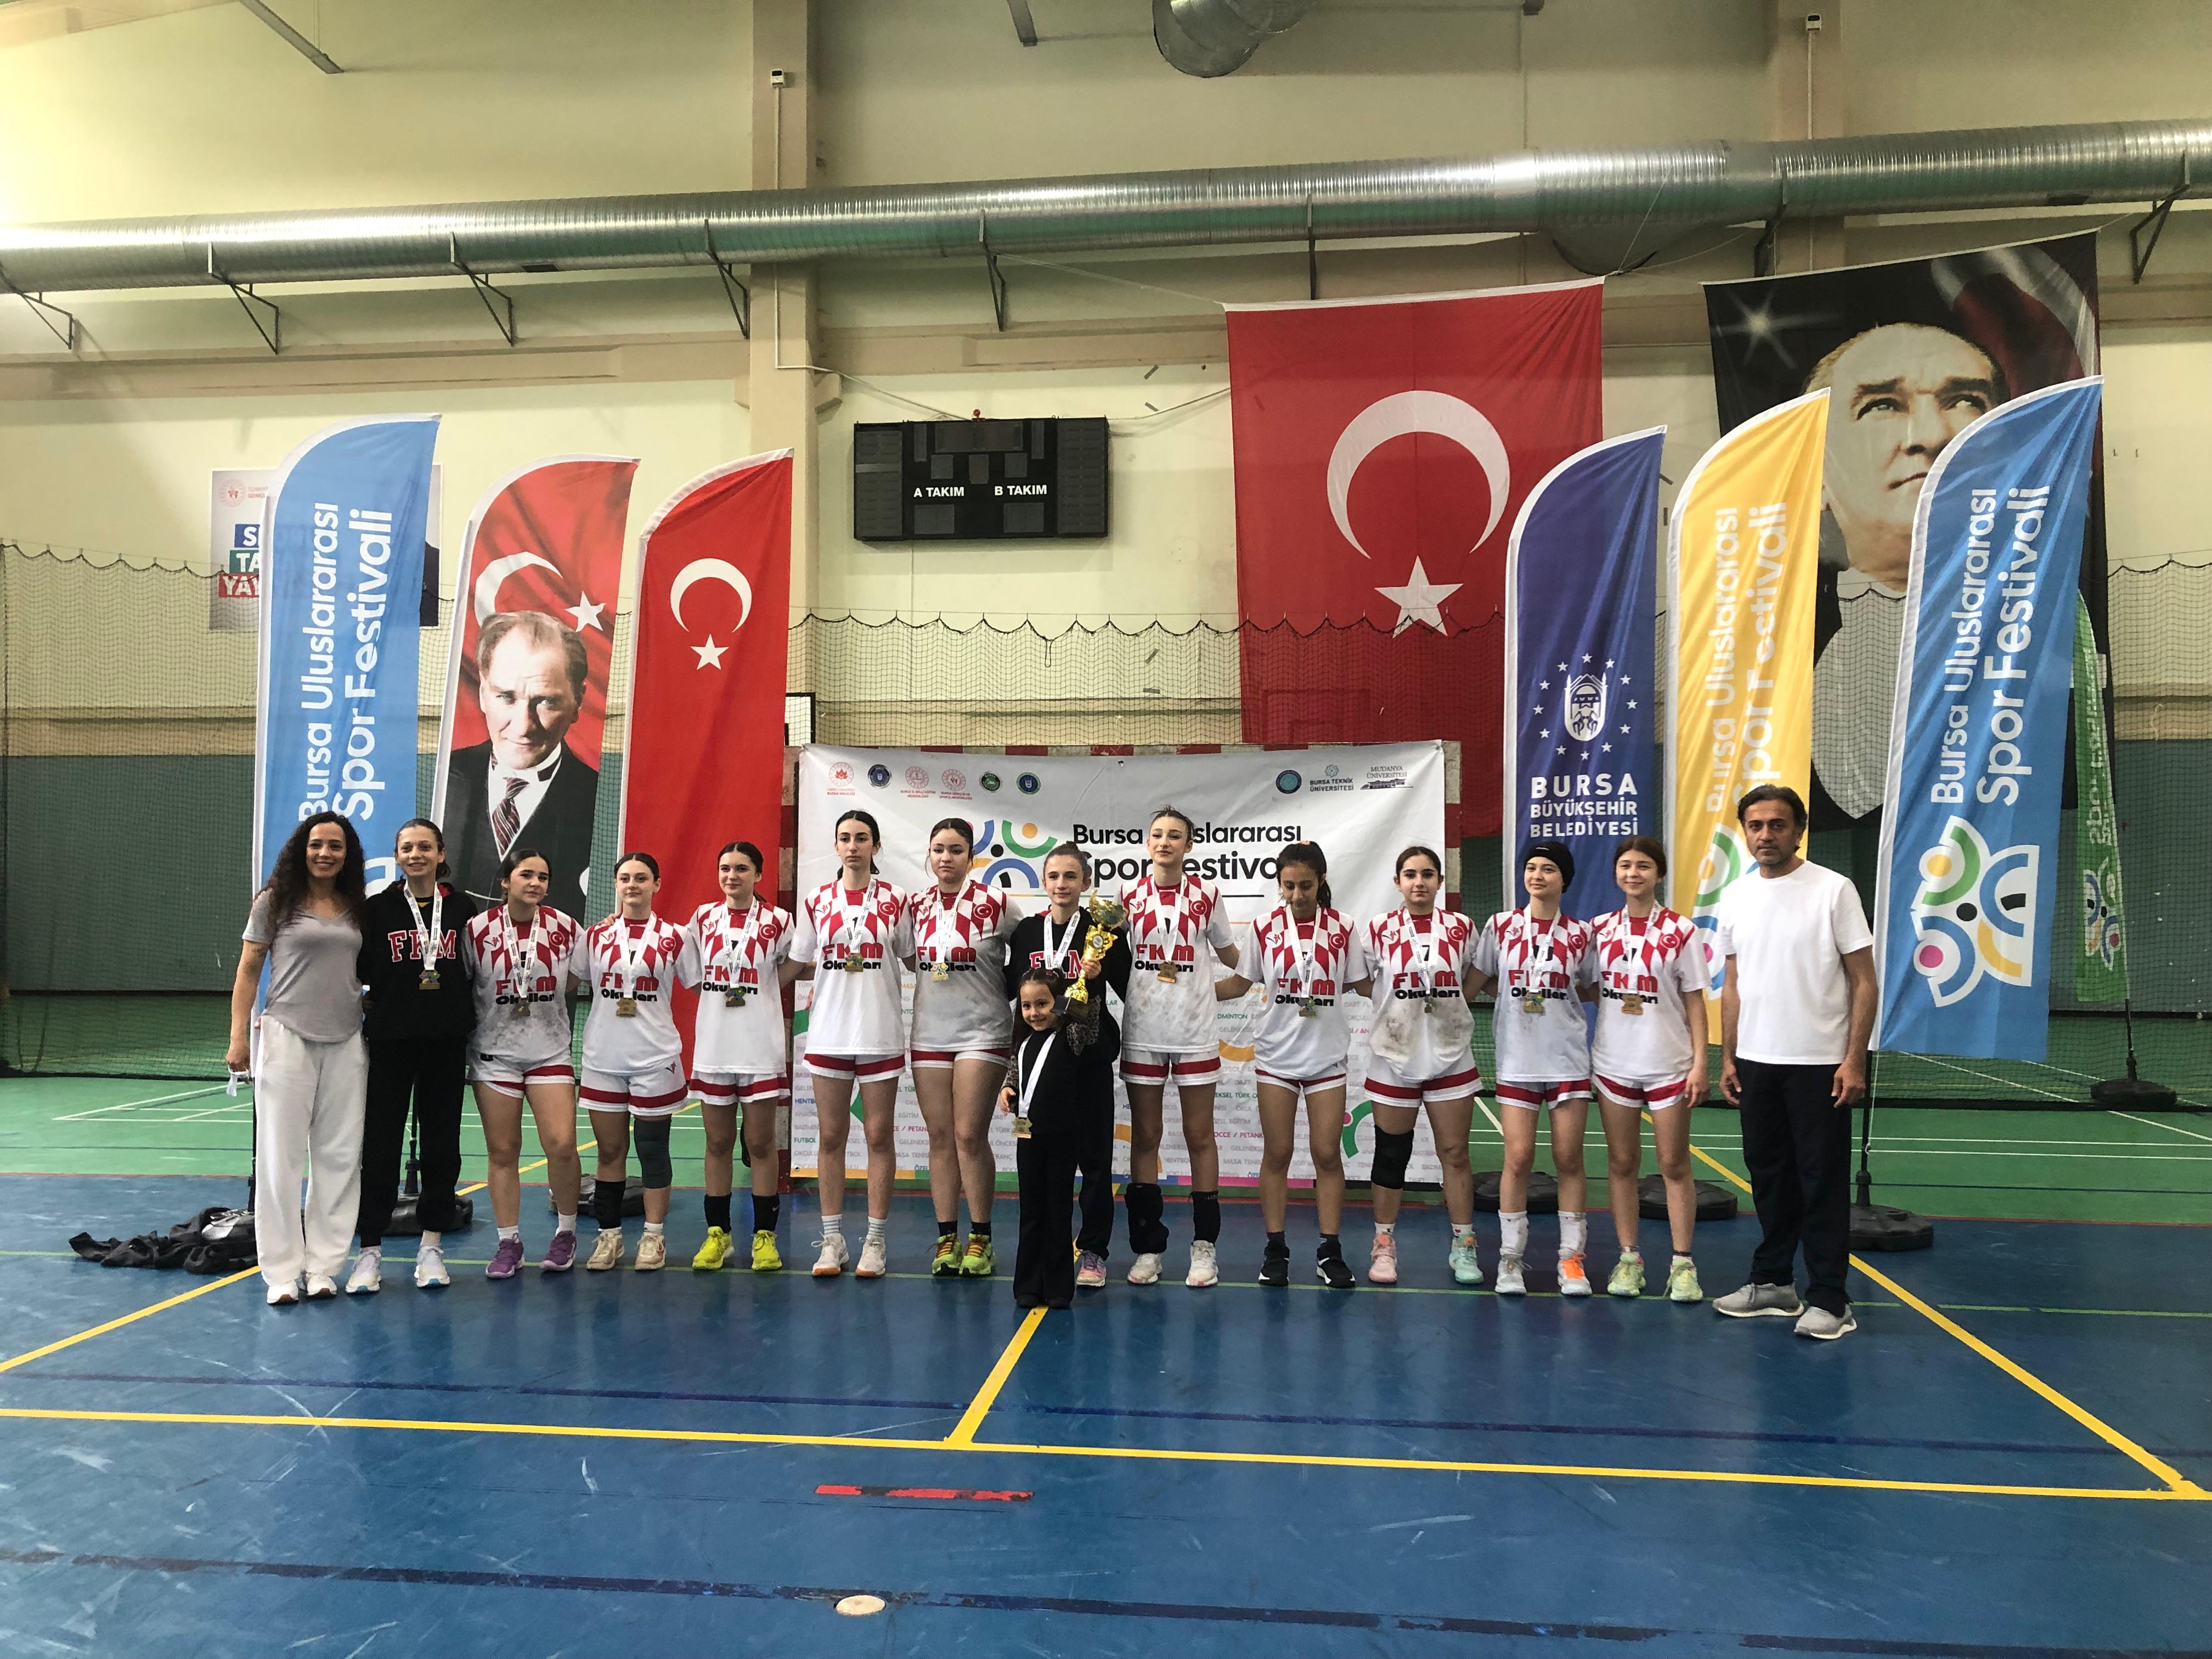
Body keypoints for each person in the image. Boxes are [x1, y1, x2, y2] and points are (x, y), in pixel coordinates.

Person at [1804, 324, 2006, 821]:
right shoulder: (1775, 654)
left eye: (1966, 401)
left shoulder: (2058, 638)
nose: (1933, 436)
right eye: (1882, 406)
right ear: (1818, 472)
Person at [1714, 783, 1878, 1340]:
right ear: (1745, 832)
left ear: (1799, 831)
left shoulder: (1833, 890)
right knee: (1769, 1178)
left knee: (1821, 1184)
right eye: (1756, 825)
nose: (1766, 835)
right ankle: (1774, 1283)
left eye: (1777, 825)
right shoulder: (1735, 896)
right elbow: (1733, 984)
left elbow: (1865, 981)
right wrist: (1729, 1057)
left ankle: (1830, 1299)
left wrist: (1853, 1060)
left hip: (1820, 1065)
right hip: (1755, 1064)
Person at [1212, 842, 1373, 1289]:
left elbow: (1362, 984)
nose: (1297, 894)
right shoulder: (1264, 927)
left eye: (1305, 885)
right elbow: (1240, 984)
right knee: (1278, 1153)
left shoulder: (1343, 927)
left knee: (1327, 1154)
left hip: (1327, 1058)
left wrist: (1410, 990)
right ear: (1279, 885)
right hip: (1276, 1057)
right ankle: (1276, 1249)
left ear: (1321, 881)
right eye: (1289, 886)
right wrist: (1188, 992)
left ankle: (1329, 1251)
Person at [228, 812, 368, 1307]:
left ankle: (324, 1267)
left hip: (347, 1041)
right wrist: (238, 1038)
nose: (325, 853)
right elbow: (248, 970)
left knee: (339, 1157)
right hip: (286, 1036)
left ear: (347, 855)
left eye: (335, 846)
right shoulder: (274, 902)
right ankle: (282, 1273)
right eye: (316, 845)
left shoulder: (357, 906)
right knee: (280, 1158)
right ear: (301, 850)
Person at [348, 818, 477, 1294]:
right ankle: (369, 1250)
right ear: (398, 855)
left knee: (442, 1146)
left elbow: (473, 971)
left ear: (441, 854)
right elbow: (361, 970)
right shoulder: (377, 909)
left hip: (445, 1043)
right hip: (390, 1043)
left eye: (425, 847)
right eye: (407, 848)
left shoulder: (463, 908)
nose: (416, 855)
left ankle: (432, 1245)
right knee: (379, 1147)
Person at [1469, 840, 1598, 1298]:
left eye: (1548, 869)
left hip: (1567, 1059)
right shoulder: (1500, 926)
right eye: (1531, 867)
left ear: (1565, 879)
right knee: (1519, 1158)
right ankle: (1510, 1259)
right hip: (1517, 1060)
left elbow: (1592, 988)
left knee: (1569, 1159)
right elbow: (1476, 982)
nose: (1537, 875)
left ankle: (1572, 1259)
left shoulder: (1581, 934)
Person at [1117, 806, 1239, 1289]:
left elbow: (1233, 957)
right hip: (1144, 1029)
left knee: (1199, 1135)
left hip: (1193, 1032)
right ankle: (1148, 1247)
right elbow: (1108, 956)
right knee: (1146, 1136)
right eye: (1157, 835)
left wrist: (1268, 968)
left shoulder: (1208, 894)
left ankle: (1204, 1247)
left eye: (1175, 836)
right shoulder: (1126, 895)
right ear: (1147, 844)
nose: (1165, 842)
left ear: (1189, 845)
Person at [789, 809, 913, 1279]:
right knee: (830, 1136)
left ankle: (875, 1241)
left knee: (879, 1136)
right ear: (836, 846)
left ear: (876, 847)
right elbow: (801, 962)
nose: (853, 846)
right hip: (829, 1031)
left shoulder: (897, 899)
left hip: (879, 1030)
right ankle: (833, 1240)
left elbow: (915, 959)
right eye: (845, 838)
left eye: (862, 838)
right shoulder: (817, 900)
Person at [1588, 836, 1709, 1304]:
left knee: (1673, 1164)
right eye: (1625, 865)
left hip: (1668, 1065)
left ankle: (1683, 1264)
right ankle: (1629, 1259)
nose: (1633, 873)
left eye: (1643, 866)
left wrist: (1700, 1063)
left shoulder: (1682, 931)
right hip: (1614, 1063)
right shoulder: (1599, 929)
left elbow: (1695, 1001)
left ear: (1659, 874)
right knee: (1622, 1163)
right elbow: (1585, 985)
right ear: (1616, 873)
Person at [1006, 845, 1131, 1290]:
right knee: (1042, 1165)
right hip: (1040, 1067)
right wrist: (1012, 1073)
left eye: (1071, 876)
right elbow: (1016, 1000)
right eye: (1055, 876)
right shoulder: (1027, 932)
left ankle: (1093, 1250)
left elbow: (1129, 986)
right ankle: (1042, 1252)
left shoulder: (1103, 930)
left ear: (1086, 883)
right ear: (1044, 882)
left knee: (1095, 1161)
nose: (1062, 884)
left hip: (1087, 1059)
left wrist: (1098, 973)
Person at [1359, 845, 1483, 1288]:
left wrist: (1453, 1004)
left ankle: (1464, 1244)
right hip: (1394, 1054)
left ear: (1439, 881)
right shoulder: (1379, 929)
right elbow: (1362, 982)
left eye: (1428, 874)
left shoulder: (1462, 927)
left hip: (1451, 1053)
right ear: (1398, 882)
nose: (1419, 882)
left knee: (1455, 1153)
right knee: (1391, 1155)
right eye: (1410, 874)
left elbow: (1475, 975)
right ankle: (1384, 1244)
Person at [460, 847, 585, 1278]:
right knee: (503, 1151)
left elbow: (576, 979)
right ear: (506, 881)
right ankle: (508, 1241)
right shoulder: (477, 930)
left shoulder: (566, 927)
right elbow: (466, 985)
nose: (535, 883)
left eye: (543, 877)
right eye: (526, 875)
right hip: (494, 1056)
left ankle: (566, 1233)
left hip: (549, 1052)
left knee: (562, 1145)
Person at [573, 852, 701, 1271]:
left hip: (655, 1058)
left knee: (652, 1150)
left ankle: (653, 1236)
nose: (633, 885)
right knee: (610, 1151)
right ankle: (609, 1237)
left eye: (642, 878)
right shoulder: (595, 936)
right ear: (616, 885)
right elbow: (570, 982)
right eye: (625, 878)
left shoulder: (676, 936)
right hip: (604, 1058)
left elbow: (704, 986)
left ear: (656, 885)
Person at [909, 817, 1023, 1279]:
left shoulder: (998, 904)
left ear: (971, 858)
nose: (946, 858)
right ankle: (946, 1238)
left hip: (983, 1032)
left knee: (968, 1135)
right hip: (929, 1035)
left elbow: (1030, 954)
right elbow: (907, 958)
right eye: (939, 849)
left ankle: (981, 1237)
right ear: (929, 854)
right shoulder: (915, 905)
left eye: (956, 850)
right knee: (940, 1138)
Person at [686, 840, 798, 1274]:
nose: (732, 876)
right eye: (726, 868)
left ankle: (764, 1236)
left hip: (759, 1047)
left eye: (742, 868)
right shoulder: (702, 918)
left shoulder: (779, 921)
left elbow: (796, 962)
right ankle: (718, 1234)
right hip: (715, 1047)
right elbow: (687, 969)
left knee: (760, 1143)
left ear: (759, 874)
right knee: (717, 1143)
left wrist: (765, 987)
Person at [445, 610, 602, 910]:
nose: (523, 726)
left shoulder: (601, 802)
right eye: (506, 697)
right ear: (483, 692)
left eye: (546, 701)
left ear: (578, 701)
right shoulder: (441, 783)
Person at [1000, 968, 1119, 1310]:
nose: (1034, 1013)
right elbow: (1016, 1073)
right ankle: (1027, 1284)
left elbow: (1089, 1019)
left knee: (1058, 1211)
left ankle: (1057, 1287)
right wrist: (1007, 1088)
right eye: (1027, 1006)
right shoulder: (1023, 1043)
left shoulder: (1072, 1037)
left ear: (1059, 1003)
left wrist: (1090, 981)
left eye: (1043, 1004)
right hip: (1028, 1139)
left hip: (1063, 1139)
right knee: (1030, 1211)